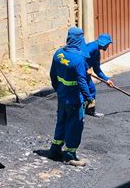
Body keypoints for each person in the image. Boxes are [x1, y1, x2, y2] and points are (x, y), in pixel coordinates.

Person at [49, 27, 94, 166]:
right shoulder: (78, 59)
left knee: (61, 121)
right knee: (74, 125)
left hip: (62, 96)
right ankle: (70, 155)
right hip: (74, 98)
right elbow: (81, 81)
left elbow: (52, 75)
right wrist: (89, 97)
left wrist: (59, 90)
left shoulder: (58, 54)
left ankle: (55, 149)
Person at [85, 33, 114, 117]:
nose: (108, 46)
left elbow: (97, 70)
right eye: (108, 44)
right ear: (104, 43)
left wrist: (106, 80)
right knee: (86, 90)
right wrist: (86, 67)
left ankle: (89, 109)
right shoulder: (92, 47)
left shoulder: (97, 53)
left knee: (91, 89)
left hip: (85, 72)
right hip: (79, 71)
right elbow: (82, 57)